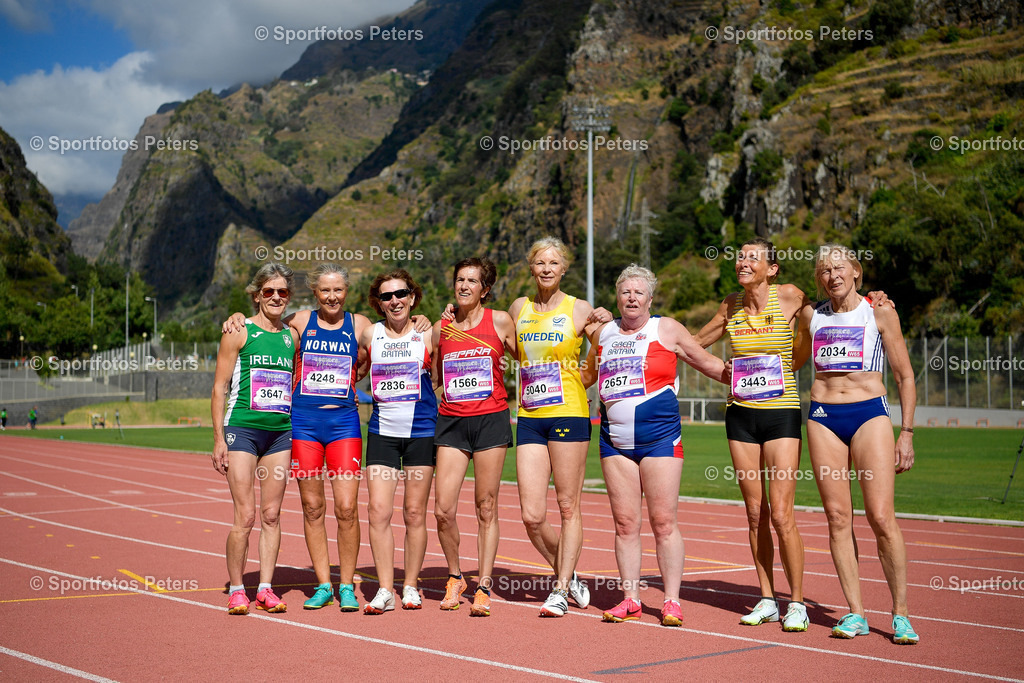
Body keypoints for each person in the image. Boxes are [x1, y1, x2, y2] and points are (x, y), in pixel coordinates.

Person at [694, 237, 888, 631]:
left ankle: (796, 602)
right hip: (740, 416)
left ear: (773, 269)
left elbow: (836, 309)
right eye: (740, 257)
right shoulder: (729, 305)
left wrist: (876, 298)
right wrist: (720, 369)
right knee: (754, 513)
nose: (743, 262)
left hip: (781, 413)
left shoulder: (791, 297)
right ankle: (766, 598)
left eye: (752, 258)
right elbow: (690, 343)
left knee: (781, 514)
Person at [222, 264, 429, 612]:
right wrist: (238, 315)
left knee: (347, 509)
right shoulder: (299, 322)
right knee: (313, 507)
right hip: (303, 425)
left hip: (344, 425)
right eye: (324, 291)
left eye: (338, 290)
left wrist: (420, 320)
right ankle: (323, 584)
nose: (332, 297)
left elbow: (381, 349)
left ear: (346, 292)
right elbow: (266, 326)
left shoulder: (361, 324)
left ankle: (346, 585)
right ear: (315, 293)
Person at [582, 265, 729, 626]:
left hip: (660, 438)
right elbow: (586, 374)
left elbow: (708, 363)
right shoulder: (603, 333)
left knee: (663, 522)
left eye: (639, 292)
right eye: (625, 291)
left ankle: (671, 600)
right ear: (617, 296)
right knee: (625, 524)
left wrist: (754, 374)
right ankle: (630, 598)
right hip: (614, 441)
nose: (632, 298)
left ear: (650, 297)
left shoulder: (666, 328)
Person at [795, 244, 919, 644]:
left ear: (856, 272)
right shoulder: (811, 315)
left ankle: (900, 614)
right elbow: (792, 358)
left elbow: (905, 377)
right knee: (837, 517)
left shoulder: (879, 311)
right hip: (824, 418)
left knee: (881, 517)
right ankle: (855, 612)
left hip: (869, 415)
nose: (832, 275)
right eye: (825, 270)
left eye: (839, 268)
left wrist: (907, 433)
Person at [511, 236, 610, 617]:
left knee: (568, 506)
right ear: (531, 268)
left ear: (564, 269)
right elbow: (505, 345)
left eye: (554, 263)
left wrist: (581, 380)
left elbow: (604, 350)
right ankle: (568, 574)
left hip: (569, 413)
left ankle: (560, 588)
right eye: (540, 263)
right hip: (531, 417)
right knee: (532, 515)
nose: (547, 269)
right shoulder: (519, 307)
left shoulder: (579, 308)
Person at [211, 263, 298, 615]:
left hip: (279, 434)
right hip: (242, 430)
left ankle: (265, 588)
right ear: (257, 294)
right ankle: (236, 589)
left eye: (283, 292)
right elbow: (219, 387)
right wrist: (218, 438)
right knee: (245, 516)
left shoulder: (291, 337)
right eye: (269, 291)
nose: (276, 297)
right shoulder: (238, 331)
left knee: (272, 514)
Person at [432, 258, 517, 616]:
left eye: (472, 281)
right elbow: (435, 378)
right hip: (452, 422)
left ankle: (483, 583)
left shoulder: (499, 321)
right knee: (443, 509)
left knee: (486, 505)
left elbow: (529, 358)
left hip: (490, 420)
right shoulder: (442, 328)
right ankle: (455, 576)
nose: (464, 286)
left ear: (485, 289)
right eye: (459, 280)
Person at [358, 269, 438, 613]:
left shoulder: (429, 333)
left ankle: (410, 586)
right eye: (387, 296)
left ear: (413, 297)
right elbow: (353, 371)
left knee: (415, 512)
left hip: (421, 431)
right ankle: (386, 589)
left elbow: (441, 376)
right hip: (382, 434)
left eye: (401, 294)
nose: (395, 301)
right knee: (378, 511)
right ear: (378, 303)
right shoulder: (368, 334)